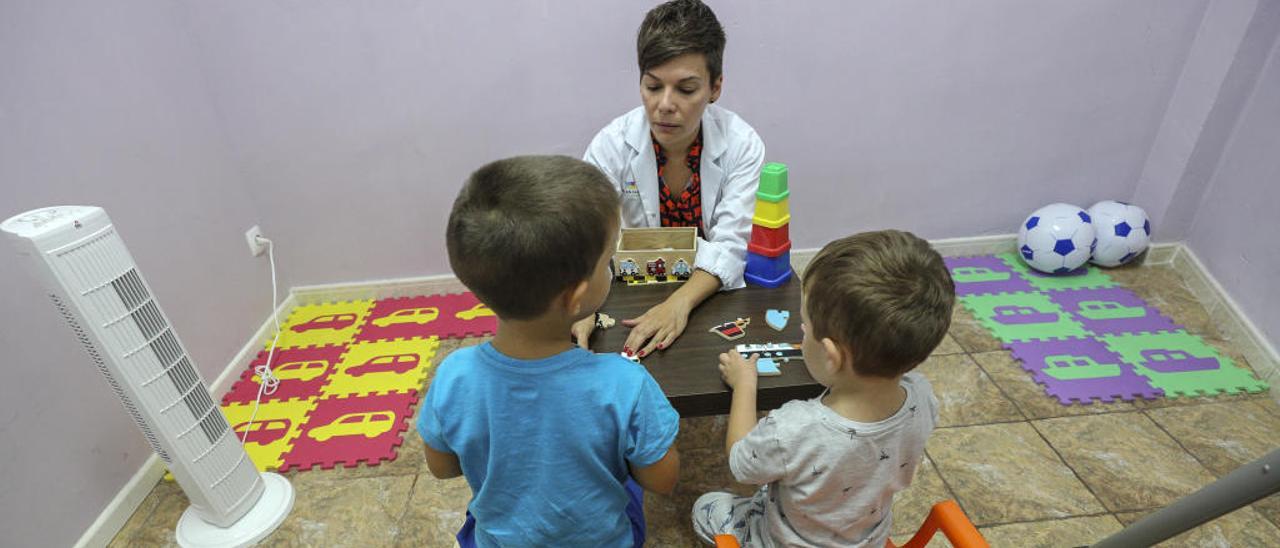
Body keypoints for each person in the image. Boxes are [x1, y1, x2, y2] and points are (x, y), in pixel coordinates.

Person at [419, 156, 681, 547]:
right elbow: (663, 478)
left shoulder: (454, 375)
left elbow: (441, 467)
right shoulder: (624, 382)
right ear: (576, 296)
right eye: (607, 261)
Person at [692, 230, 956, 547]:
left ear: (831, 356)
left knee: (705, 506)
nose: (802, 332)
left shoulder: (792, 428)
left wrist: (745, 385)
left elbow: (740, 462)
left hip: (781, 540)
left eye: (805, 327)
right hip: (866, 538)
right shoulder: (924, 396)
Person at [579, 0, 766, 359]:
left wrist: (679, 304)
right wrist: (584, 304)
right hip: (632, 286)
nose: (665, 105)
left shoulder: (742, 144)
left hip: (710, 288)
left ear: (715, 88)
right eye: (652, 86)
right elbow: (586, 236)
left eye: (686, 89)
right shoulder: (611, 145)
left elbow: (731, 245)